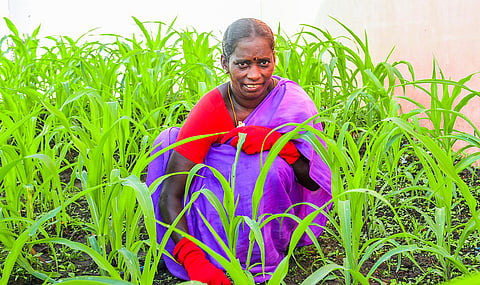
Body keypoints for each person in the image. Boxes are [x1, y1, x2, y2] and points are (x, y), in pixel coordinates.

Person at [147, 18, 331, 284]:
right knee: (169, 142)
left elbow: (312, 180)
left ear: (274, 60)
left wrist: (280, 144)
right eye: (242, 64)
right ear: (225, 63)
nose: (254, 74)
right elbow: (171, 194)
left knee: (267, 166)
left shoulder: (291, 103)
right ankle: (215, 250)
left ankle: (263, 250)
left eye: (263, 62)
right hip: (213, 214)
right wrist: (192, 258)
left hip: (274, 213)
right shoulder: (211, 109)